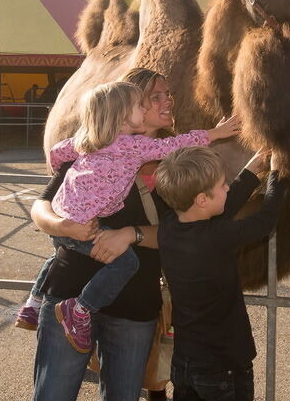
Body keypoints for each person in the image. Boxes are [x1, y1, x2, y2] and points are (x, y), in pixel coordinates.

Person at [21, 67, 184, 401]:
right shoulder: (93, 146)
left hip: (135, 306)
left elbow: (187, 234)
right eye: (155, 96)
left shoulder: (178, 164)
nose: (167, 102)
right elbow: (42, 205)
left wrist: (132, 234)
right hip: (68, 299)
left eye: (168, 94)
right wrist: (63, 225)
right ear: (132, 107)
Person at [14, 80, 240, 355]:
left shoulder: (88, 141)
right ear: (121, 116)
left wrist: (61, 170)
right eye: (139, 105)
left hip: (66, 215)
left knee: (58, 251)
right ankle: (80, 309)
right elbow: (175, 144)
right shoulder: (133, 147)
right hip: (82, 224)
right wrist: (215, 133)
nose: (143, 109)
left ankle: (35, 301)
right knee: (126, 262)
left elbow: (58, 151)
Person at [156, 146, 283, 401]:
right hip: (226, 366)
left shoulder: (170, 227)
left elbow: (220, 208)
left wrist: (252, 169)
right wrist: (277, 174)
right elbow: (266, 220)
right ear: (202, 199)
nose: (228, 187)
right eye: (223, 184)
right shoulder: (218, 236)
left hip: (186, 366)